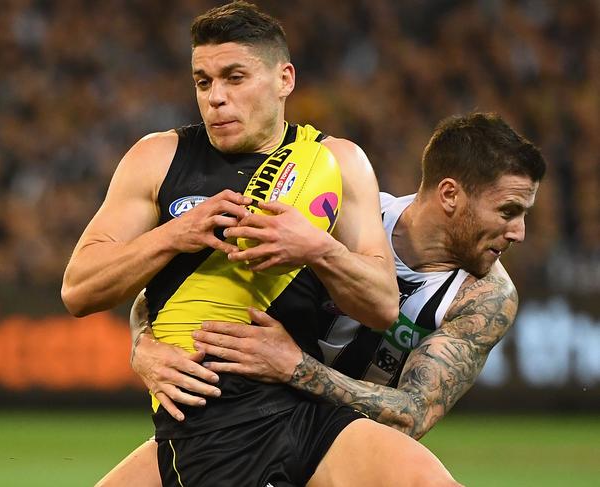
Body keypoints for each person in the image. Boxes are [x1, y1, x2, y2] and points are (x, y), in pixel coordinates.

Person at [62, 2, 461, 486]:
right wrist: (175, 235)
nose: (216, 98)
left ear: (284, 79)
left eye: (235, 77)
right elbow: (79, 289)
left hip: (307, 407)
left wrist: (317, 248)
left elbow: (381, 304)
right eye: (203, 81)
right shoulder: (158, 157)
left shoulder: (336, 161)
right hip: (215, 424)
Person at [95, 112, 546, 486]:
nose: (519, 233)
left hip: (342, 443)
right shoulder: (342, 214)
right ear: (450, 194)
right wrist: (143, 346)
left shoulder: (486, 297)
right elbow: (183, 288)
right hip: (250, 415)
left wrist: (296, 367)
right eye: (508, 211)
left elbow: (411, 415)